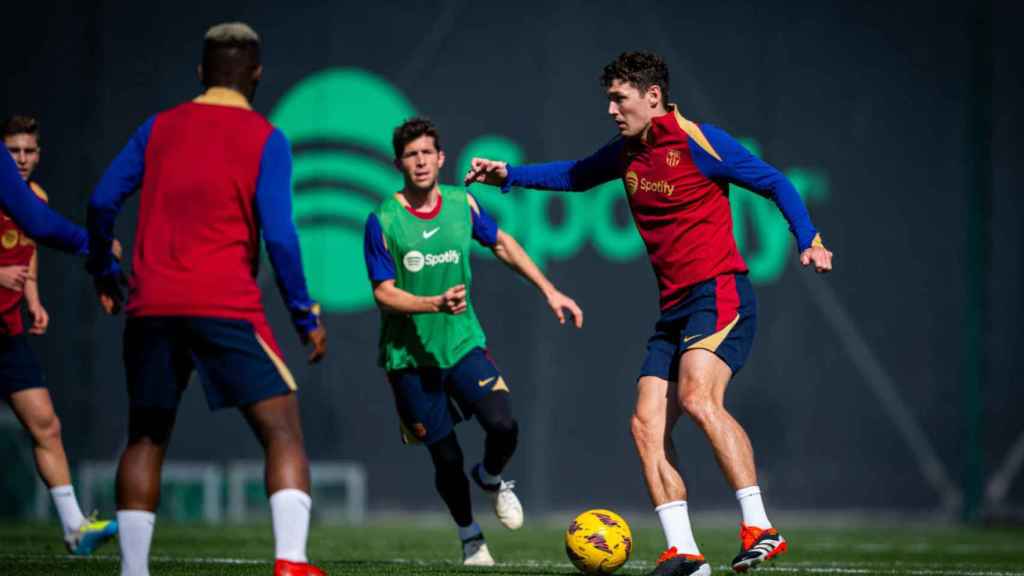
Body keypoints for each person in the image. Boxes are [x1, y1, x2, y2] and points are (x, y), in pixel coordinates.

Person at [465, 51, 834, 576]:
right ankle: (684, 553)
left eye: (620, 98)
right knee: (645, 424)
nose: (612, 109)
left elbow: (777, 183)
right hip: (675, 309)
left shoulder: (701, 142)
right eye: (609, 99)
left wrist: (809, 239)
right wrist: (508, 174)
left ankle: (760, 527)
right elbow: (573, 175)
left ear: (652, 95)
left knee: (697, 396)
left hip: (719, 293)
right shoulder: (626, 153)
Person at [87, 22, 328, 576]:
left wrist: (104, 266)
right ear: (258, 76)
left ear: (200, 73)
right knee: (283, 431)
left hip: (151, 306)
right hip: (224, 306)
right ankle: (291, 563)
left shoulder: (159, 127)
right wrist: (302, 313)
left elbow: (101, 201)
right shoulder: (265, 138)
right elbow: (282, 236)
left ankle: (133, 570)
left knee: (146, 436)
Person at [364, 118, 583, 566]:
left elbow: (502, 244)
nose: (421, 161)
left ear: (442, 158)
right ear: (398, 163)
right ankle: (470, 535)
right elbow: (384, 293)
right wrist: (433, 303)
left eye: (428, 152)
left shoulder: (463, 204)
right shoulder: (383, 219)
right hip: (407, 358)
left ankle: (490, 476)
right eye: (411, 154)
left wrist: (550, 290)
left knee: (503, 426)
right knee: (444, 457)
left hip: (463, 344)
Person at [1, 115, 118, 554]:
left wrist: (33, 297)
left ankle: (75, 528)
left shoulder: (34, 199)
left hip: (8, 331)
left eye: (29, 151)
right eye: (13, 151)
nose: (22, 159)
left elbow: (26, 249)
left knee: (46, 424)